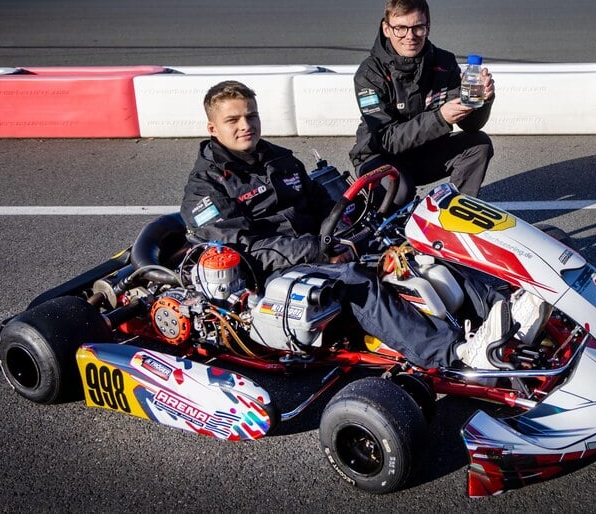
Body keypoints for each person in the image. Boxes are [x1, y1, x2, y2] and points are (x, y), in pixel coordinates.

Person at [180, 80, 510, 370]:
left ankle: (502, 308)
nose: (246, 125)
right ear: (213, 128)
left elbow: (322, 203)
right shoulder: (204, 188)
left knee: (410, 248)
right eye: (233, 120)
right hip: (273, 269)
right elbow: (246, 248)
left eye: (251, 116)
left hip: (320, 245)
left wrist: (346, 233)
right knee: (357, 281)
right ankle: (453, 352)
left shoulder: (278, 158)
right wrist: (321, 250)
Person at [349, 0, 496, 208]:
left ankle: (454, 213)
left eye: (418, 27)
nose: (410, 36)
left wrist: (481, 100)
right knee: (399, 190)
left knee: (479, 144)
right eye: (401, 28)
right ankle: (381, 221)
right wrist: (440, 118)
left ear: (428, 27)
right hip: (378, 155)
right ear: (386, 29)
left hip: (422, 152)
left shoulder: (444, 62)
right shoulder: (370, 73)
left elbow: (471, 126)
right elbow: (386, 139)